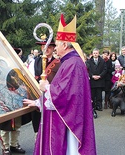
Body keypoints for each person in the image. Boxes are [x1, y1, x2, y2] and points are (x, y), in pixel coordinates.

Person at [23, 14, 96, 155]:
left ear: (64, 44)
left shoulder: (72, 63)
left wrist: (46, 87)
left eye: (56, 45)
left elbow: (65, 94)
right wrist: (39, 102)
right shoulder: (69, 61)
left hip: (69, 122)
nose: (55, 48)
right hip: (67, 117)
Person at [31, 34, 61, 134]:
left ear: (53, 48)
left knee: (50, 124)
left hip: (51, 97)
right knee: (37, 123)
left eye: (49, 47)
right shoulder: (35, 61)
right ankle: (38, 143)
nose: (46, 49)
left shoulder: (59, 63)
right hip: (37, 96)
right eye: (44, 46)